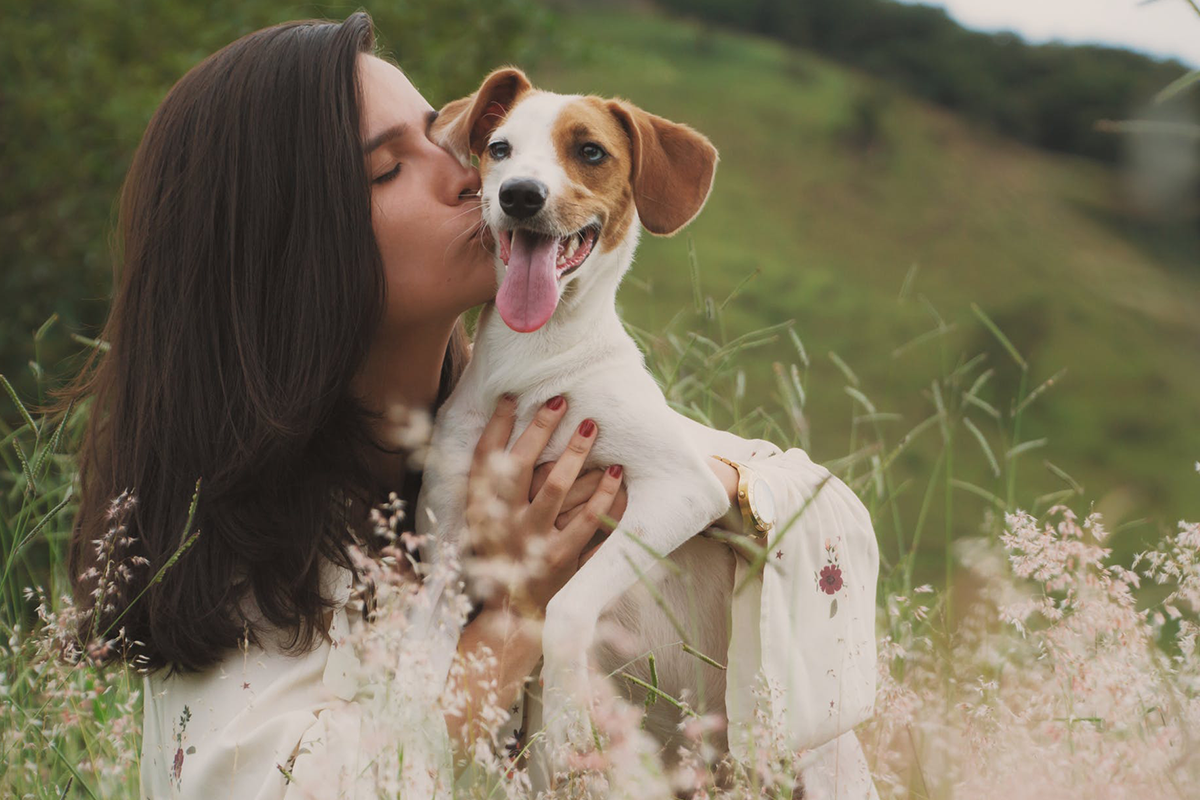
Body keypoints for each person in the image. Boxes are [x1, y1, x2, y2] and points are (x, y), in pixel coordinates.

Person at [64, 12, 880, 799]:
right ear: (289, 250)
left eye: (451, 137)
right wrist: (510, 611)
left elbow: (807, 505)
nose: (473, 175)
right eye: (388, 169)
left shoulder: (542, 414)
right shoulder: (231, 568)